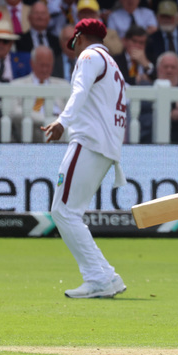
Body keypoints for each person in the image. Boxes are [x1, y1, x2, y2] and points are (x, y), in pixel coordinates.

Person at [41, 18, 127, 299]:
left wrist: (62, 121)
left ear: (79, 36)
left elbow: (79, 92)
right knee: (68, 211)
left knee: (64, 211)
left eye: (74, 41)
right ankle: (106, 276)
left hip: (89, 141)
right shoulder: (113, 64)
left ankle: (98, 278)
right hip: (106, 145)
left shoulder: (89, 56)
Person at [10, 46, 69, 142]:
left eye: (48, 65)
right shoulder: (17, 84)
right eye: (41, 65)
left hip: (59, 137)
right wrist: (44, 119)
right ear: (32, 63)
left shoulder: (63, 85)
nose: (45, 70)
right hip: (29, 134)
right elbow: (14, 112)